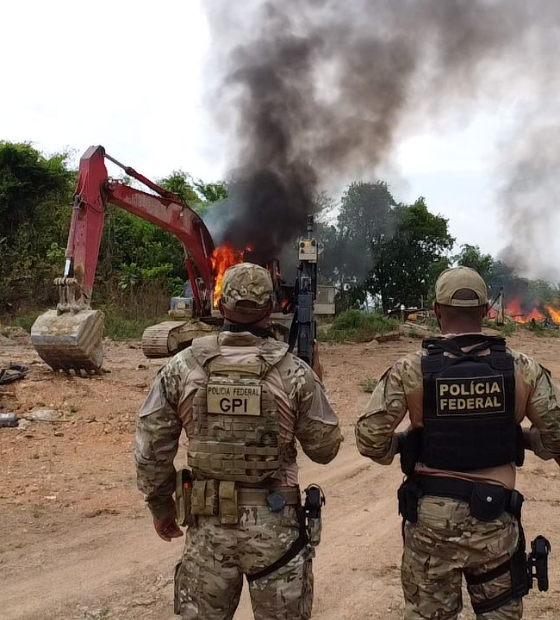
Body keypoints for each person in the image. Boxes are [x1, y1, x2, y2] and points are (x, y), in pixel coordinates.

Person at [135, 262, 343, 620]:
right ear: (270, 309)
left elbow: (151, 448)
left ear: (220, 306)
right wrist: (316, 381)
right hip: (276, 531)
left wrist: (161, 507)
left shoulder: (183, 367)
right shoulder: (293, 371)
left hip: (208, 531)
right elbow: (324, 448)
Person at [355, 266, 560, 620]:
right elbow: (557, 436)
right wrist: (525, 440)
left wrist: (404, 444)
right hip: (494, 519)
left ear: (436, 311)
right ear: (485, 311)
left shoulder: (411, 369)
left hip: (431, 524)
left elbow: (369, 440)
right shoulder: (521, 368)